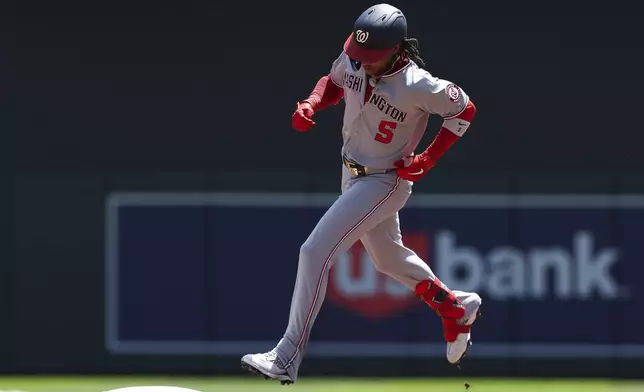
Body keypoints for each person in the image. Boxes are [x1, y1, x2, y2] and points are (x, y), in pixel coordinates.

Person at [241, 3, 481, 385]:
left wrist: (429, 159)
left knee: (314, 251)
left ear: (397, 49)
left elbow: (464, 110)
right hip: (350, 173)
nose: (363, 62)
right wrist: (311, 103)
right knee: (387, 260)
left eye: (372, 56)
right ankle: (455, 308)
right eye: (360, 53)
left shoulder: (418, 84)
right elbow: (334, 81)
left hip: (386, 181)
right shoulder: (355, 59)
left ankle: (286, 356)